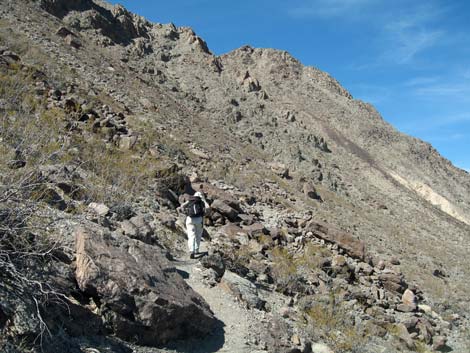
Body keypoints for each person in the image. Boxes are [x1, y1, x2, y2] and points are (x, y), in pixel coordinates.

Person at [178, 191, 210, 259]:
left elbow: (182, 206)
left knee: (191, 235)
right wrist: (204, 200)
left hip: (190, 219)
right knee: (198, 235)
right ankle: (196, 250)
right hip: (199, 220)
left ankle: (191, 250)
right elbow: (208, 207)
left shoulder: (190, 200)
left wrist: (185, 212)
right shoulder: (201, 201)